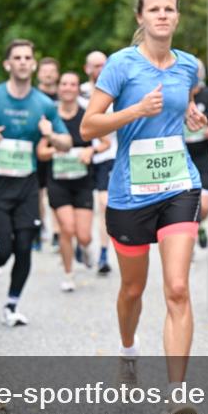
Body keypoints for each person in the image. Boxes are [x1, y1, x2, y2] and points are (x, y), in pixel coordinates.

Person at [80, 0, 208, 414]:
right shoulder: (120, 65)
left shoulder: (188, 66)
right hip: (129, 192)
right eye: (153, 9)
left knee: (176, 288)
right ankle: (129, 349)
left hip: (178, 183)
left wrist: (192, 115)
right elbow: (88, 127)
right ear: (141, 17)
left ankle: (177, 396)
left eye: (169, 9)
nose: (162, 15)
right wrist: (135, 111)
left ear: (177, 16)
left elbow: (184, 109)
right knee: (133, 290)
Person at [0, 39, 72, 327]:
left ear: (33, 64)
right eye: (16, 57)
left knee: (23, 246)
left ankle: (11, 304)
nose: (22, 62)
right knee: (3, 249)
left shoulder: (44, 103)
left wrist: (51, 135)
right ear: (7, 64)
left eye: (27, 57)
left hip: (27, 184)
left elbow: (67, 142)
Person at [37, 71, 108, 291]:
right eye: (64, 84)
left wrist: (91, 151)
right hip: (58, 181)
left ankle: (86, 249)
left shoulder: (87, 114)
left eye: (73, 84)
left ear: (78, 88)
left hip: (82, 182)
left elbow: (106, 143)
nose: (68, 87)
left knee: (84, 235)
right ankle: (68, 275)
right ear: (59, 88)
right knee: (67, 229)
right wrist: (53, 152)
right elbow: (40, 152)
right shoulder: (49, 118)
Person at [84, 50, 115, 275]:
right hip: (80, 157)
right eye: (95, 66)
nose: (99, 69)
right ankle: (82, 244)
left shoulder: (117, 92)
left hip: (108, 156)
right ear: (87, 69)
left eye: (103, 65)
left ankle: (103, 253)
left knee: (104, 205)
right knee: (81, 211)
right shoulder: (78, 93)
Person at [184, 59, 208, 250]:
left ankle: (199, 225)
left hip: (203, 156)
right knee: (185, 203)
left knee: (204, 207)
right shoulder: (178, 96)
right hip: (182, 155)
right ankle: (188, 238)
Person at [35, 57, 60, 251]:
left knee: (56, 192)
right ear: (38, 74)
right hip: (37, 150)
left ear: (57, 74)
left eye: (51, 71)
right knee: (37, 192)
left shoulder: (64, 95)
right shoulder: (33, 97)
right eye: (44, 71)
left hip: (59, 150)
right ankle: (39, 225)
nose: (48, 74)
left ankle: (57, 232)